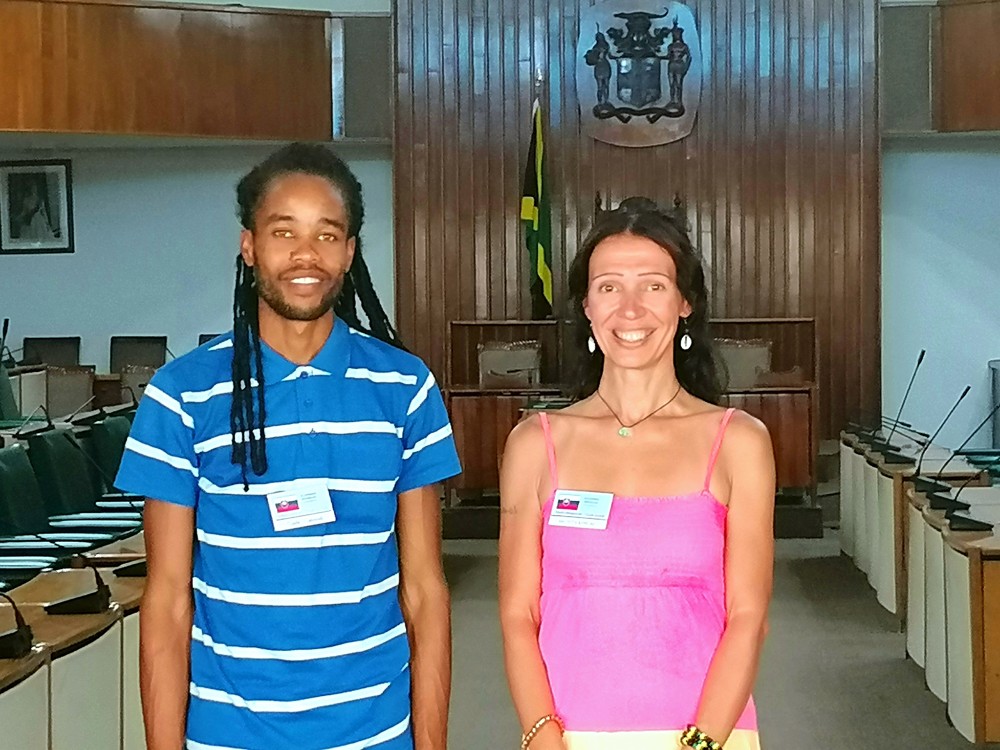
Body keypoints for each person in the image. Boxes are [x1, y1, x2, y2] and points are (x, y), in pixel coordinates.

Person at [115, 143, 460, 750]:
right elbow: (167, 601)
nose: (306, 255)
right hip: (227, 733)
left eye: (327, 235)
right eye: (284, 232)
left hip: (374, 732)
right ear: (249, 246)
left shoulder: (405, 388)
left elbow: (425, 592)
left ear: (350, 252)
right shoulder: (182, 394)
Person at [498, 197, 774, 750]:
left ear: (684, 302)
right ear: (587, 307)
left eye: (653, 285)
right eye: (609, 287)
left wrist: (700, 744)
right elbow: (517, 611)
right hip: (567, 736)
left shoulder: (738, 442)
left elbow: (749, 615)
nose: (630, 309)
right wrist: (543, 736)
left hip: (706, 736)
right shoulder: (534, 444)